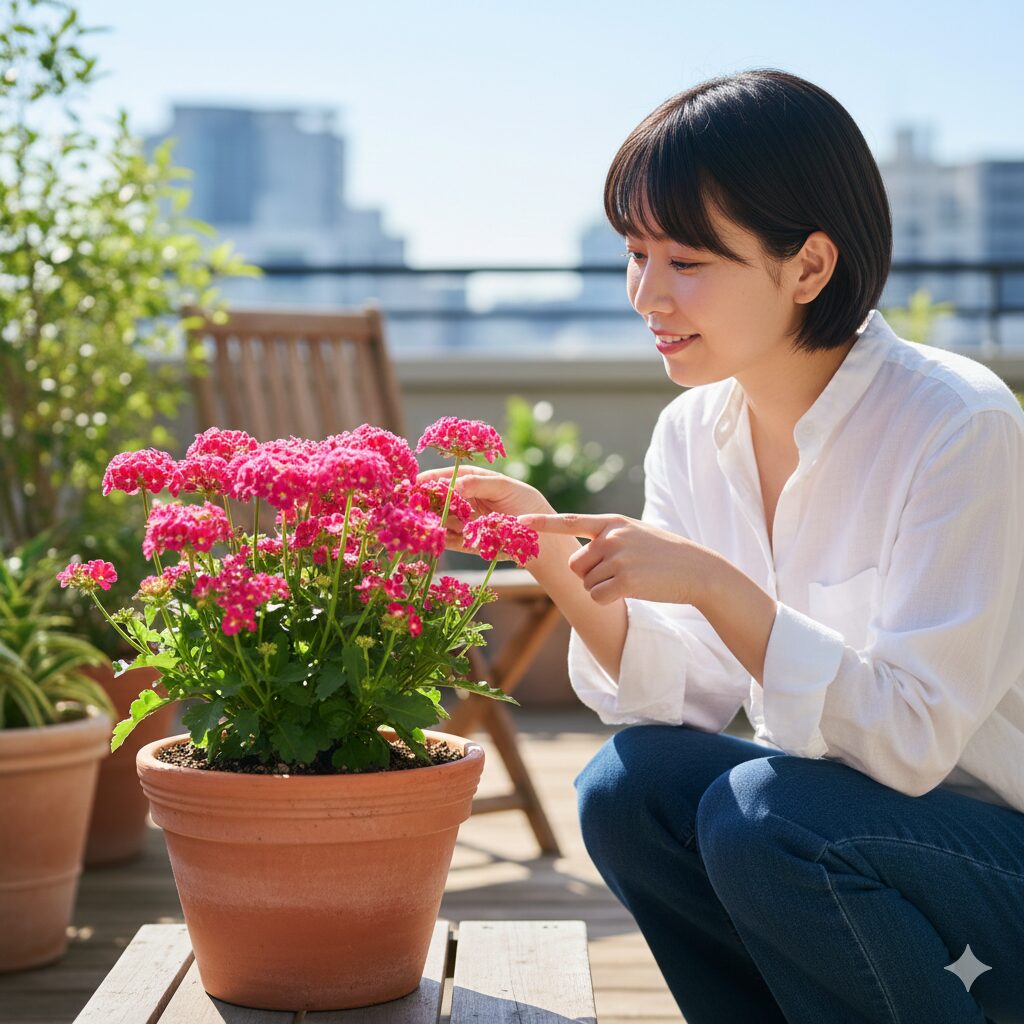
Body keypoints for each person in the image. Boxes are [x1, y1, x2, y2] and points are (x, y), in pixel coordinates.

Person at [419, 68, 1024, 1024]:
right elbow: (681, 700)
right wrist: (542, 549)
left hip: (993, 855)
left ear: (809, 268)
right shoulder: (695, 432)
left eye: (688, 262)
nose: (646, 294)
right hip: (838, 831)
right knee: (632, 788)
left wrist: (714, 584)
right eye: (635, 254)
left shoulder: (958, 426)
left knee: (767, 817)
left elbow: (912, 744)